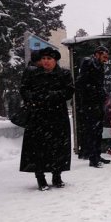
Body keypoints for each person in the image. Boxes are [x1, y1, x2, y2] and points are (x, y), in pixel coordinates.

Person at [19, 47, 74, 191]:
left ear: (55, 60)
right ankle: (40, 177)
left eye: (49, 59)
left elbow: (69, 91)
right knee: (38, 148)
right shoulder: (33, 74)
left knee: (58, 147)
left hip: (57, 116)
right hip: (38, 117)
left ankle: (57, 175)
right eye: (43, 59)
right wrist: (33, 98)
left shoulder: (64, 74)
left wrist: (52, 95)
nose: (46, 62)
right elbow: (24, 90)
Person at [75, 46, 111, 168]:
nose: (105, 60)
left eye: (107, 57)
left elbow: (98, 84)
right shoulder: (88, 63)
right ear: (97, 54)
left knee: (98, 130)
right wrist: (95, 92)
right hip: (90, 103)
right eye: (104, 56)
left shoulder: (99, 66)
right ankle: (93, 157)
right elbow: (81, 83)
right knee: (92, 131)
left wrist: (103, 92)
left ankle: (97, 154)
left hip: (97, 102)